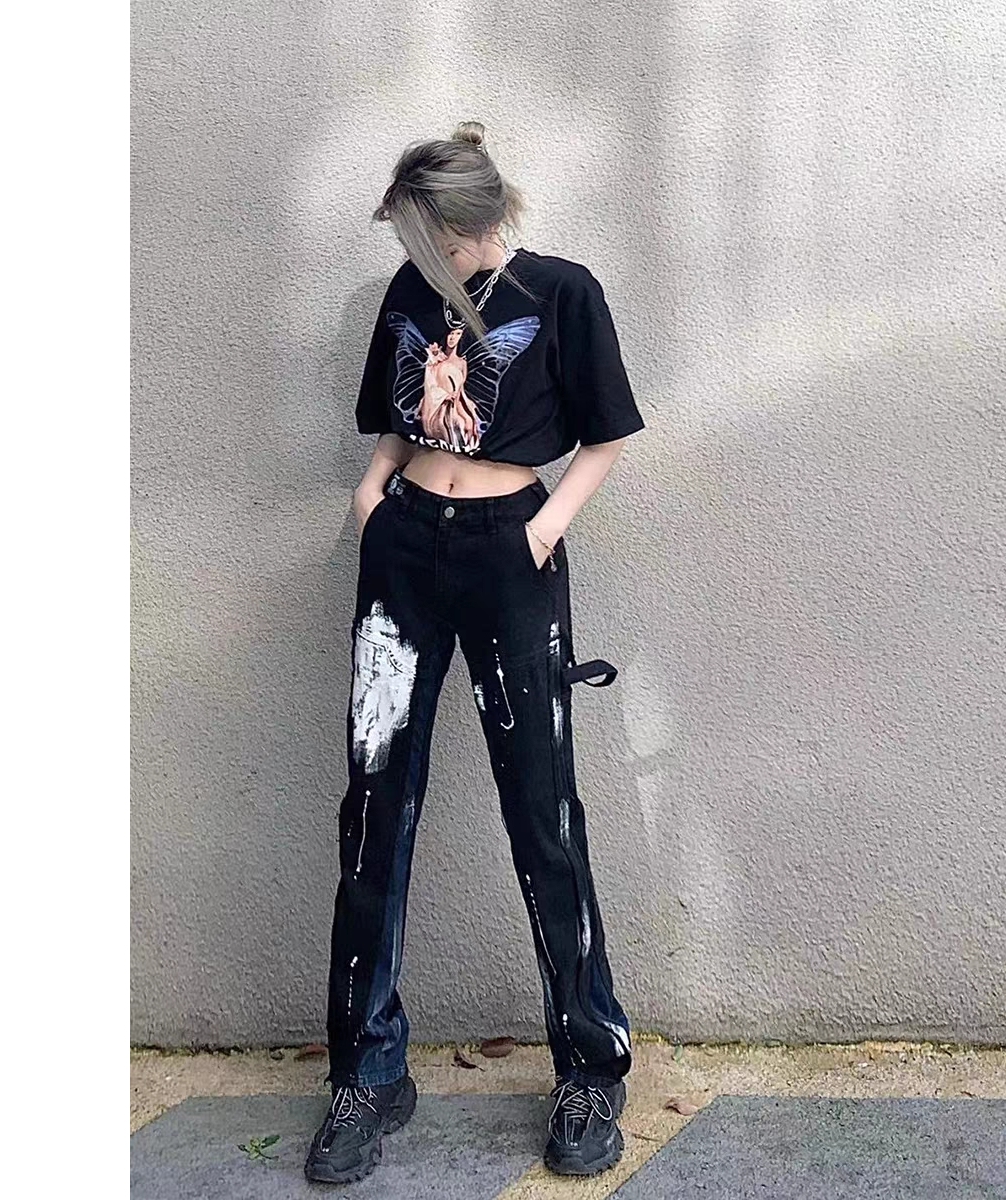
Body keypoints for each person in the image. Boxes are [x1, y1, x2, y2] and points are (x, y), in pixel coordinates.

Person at [304, 120, 646, 1185]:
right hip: (405, 550)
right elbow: (398, 415)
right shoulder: (411, 292)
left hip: (511, 553)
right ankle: (367, 1072)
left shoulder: (564, 292)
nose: (421, 256)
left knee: (543, 811)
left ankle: (590, 1067)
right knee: (374, 808)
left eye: (432, 238)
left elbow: (609, 432)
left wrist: (545, 529)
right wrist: (375, 487)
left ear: (478, 218)